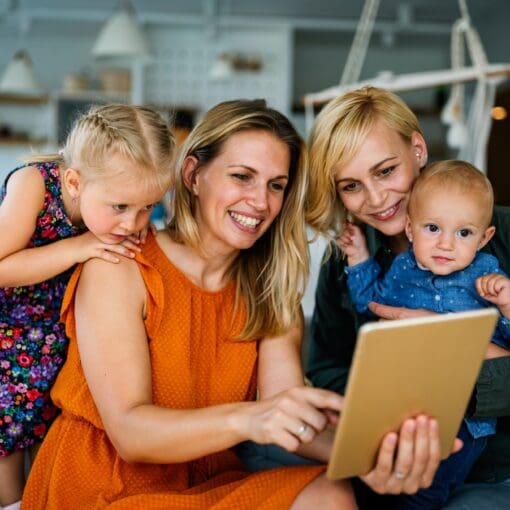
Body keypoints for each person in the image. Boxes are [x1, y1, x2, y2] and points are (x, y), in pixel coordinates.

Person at [22, 99, 446, 509]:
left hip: (206, 481)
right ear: (193, 174)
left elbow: (291, 413)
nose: (260, 202)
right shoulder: (120, 263)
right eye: (242, 176)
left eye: (275, 185)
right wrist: (250, 418)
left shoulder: (270, 291)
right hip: (103, 485)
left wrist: (373, 457)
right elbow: (131, 434)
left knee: (331, 494)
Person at [305, 86, 510, 509]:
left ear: (417, 148)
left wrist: (457, 351)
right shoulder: (344, 259)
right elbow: (326, 366)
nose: (376, 199)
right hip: (390, 456)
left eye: (385, 171)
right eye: (351, 186)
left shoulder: (504, 235)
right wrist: (383, 411)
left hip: (496, 466)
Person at [0, 103, 175, 510]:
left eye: (147, 207)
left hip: (53, 331)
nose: (133, 223)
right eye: (121, 207)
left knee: (49, 422)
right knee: (7, 434)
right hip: (8, 329)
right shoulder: (34, 186)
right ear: (75, 183)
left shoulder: (112, 209)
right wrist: (77, 247)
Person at [338, 159, 510, 508]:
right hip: (404, 403)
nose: (446, 244)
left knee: (428, 492)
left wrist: (506, 305)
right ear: (411, 228)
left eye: (463, 233)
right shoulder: (402, 268)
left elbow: (504, 340)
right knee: (378, 479)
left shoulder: (488, 277)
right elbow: (372, 303)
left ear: (484, 237)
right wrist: (358, 258)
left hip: (464, 416)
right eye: (433, 228)